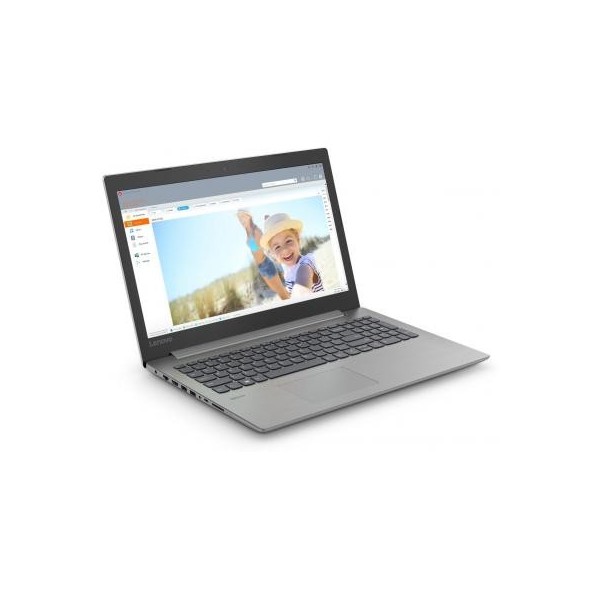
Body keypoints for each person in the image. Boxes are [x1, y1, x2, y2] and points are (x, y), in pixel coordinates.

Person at [260, 213, 324, 297]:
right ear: (273, 253)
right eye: (277, 247)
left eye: (288, 241)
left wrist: (299, 292)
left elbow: (302, 282)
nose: (284, 250)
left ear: (297, 239)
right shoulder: (287, 267)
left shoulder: (306, 264)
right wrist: (269, 221)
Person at [236, 209, 289, 300]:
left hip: (266, 264)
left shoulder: (256, 230)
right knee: (280, 291)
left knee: (281, 293)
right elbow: (254, 249)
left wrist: (268, 222)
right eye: (239, 219)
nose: (241, 220)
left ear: (249, 216)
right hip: (260, 267)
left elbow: (266, 244)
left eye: (243, 217)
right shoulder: (248, 233)